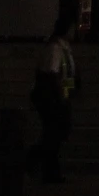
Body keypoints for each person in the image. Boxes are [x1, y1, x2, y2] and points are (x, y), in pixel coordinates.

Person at [28, 19, 78, 183]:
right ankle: (35, 163)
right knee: (54, 134)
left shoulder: (63, 48)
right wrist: (61, 95)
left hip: (58, 97)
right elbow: (52, 74)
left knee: (54, 135)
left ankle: (46, 169)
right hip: (52, 98)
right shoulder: (55, 49)